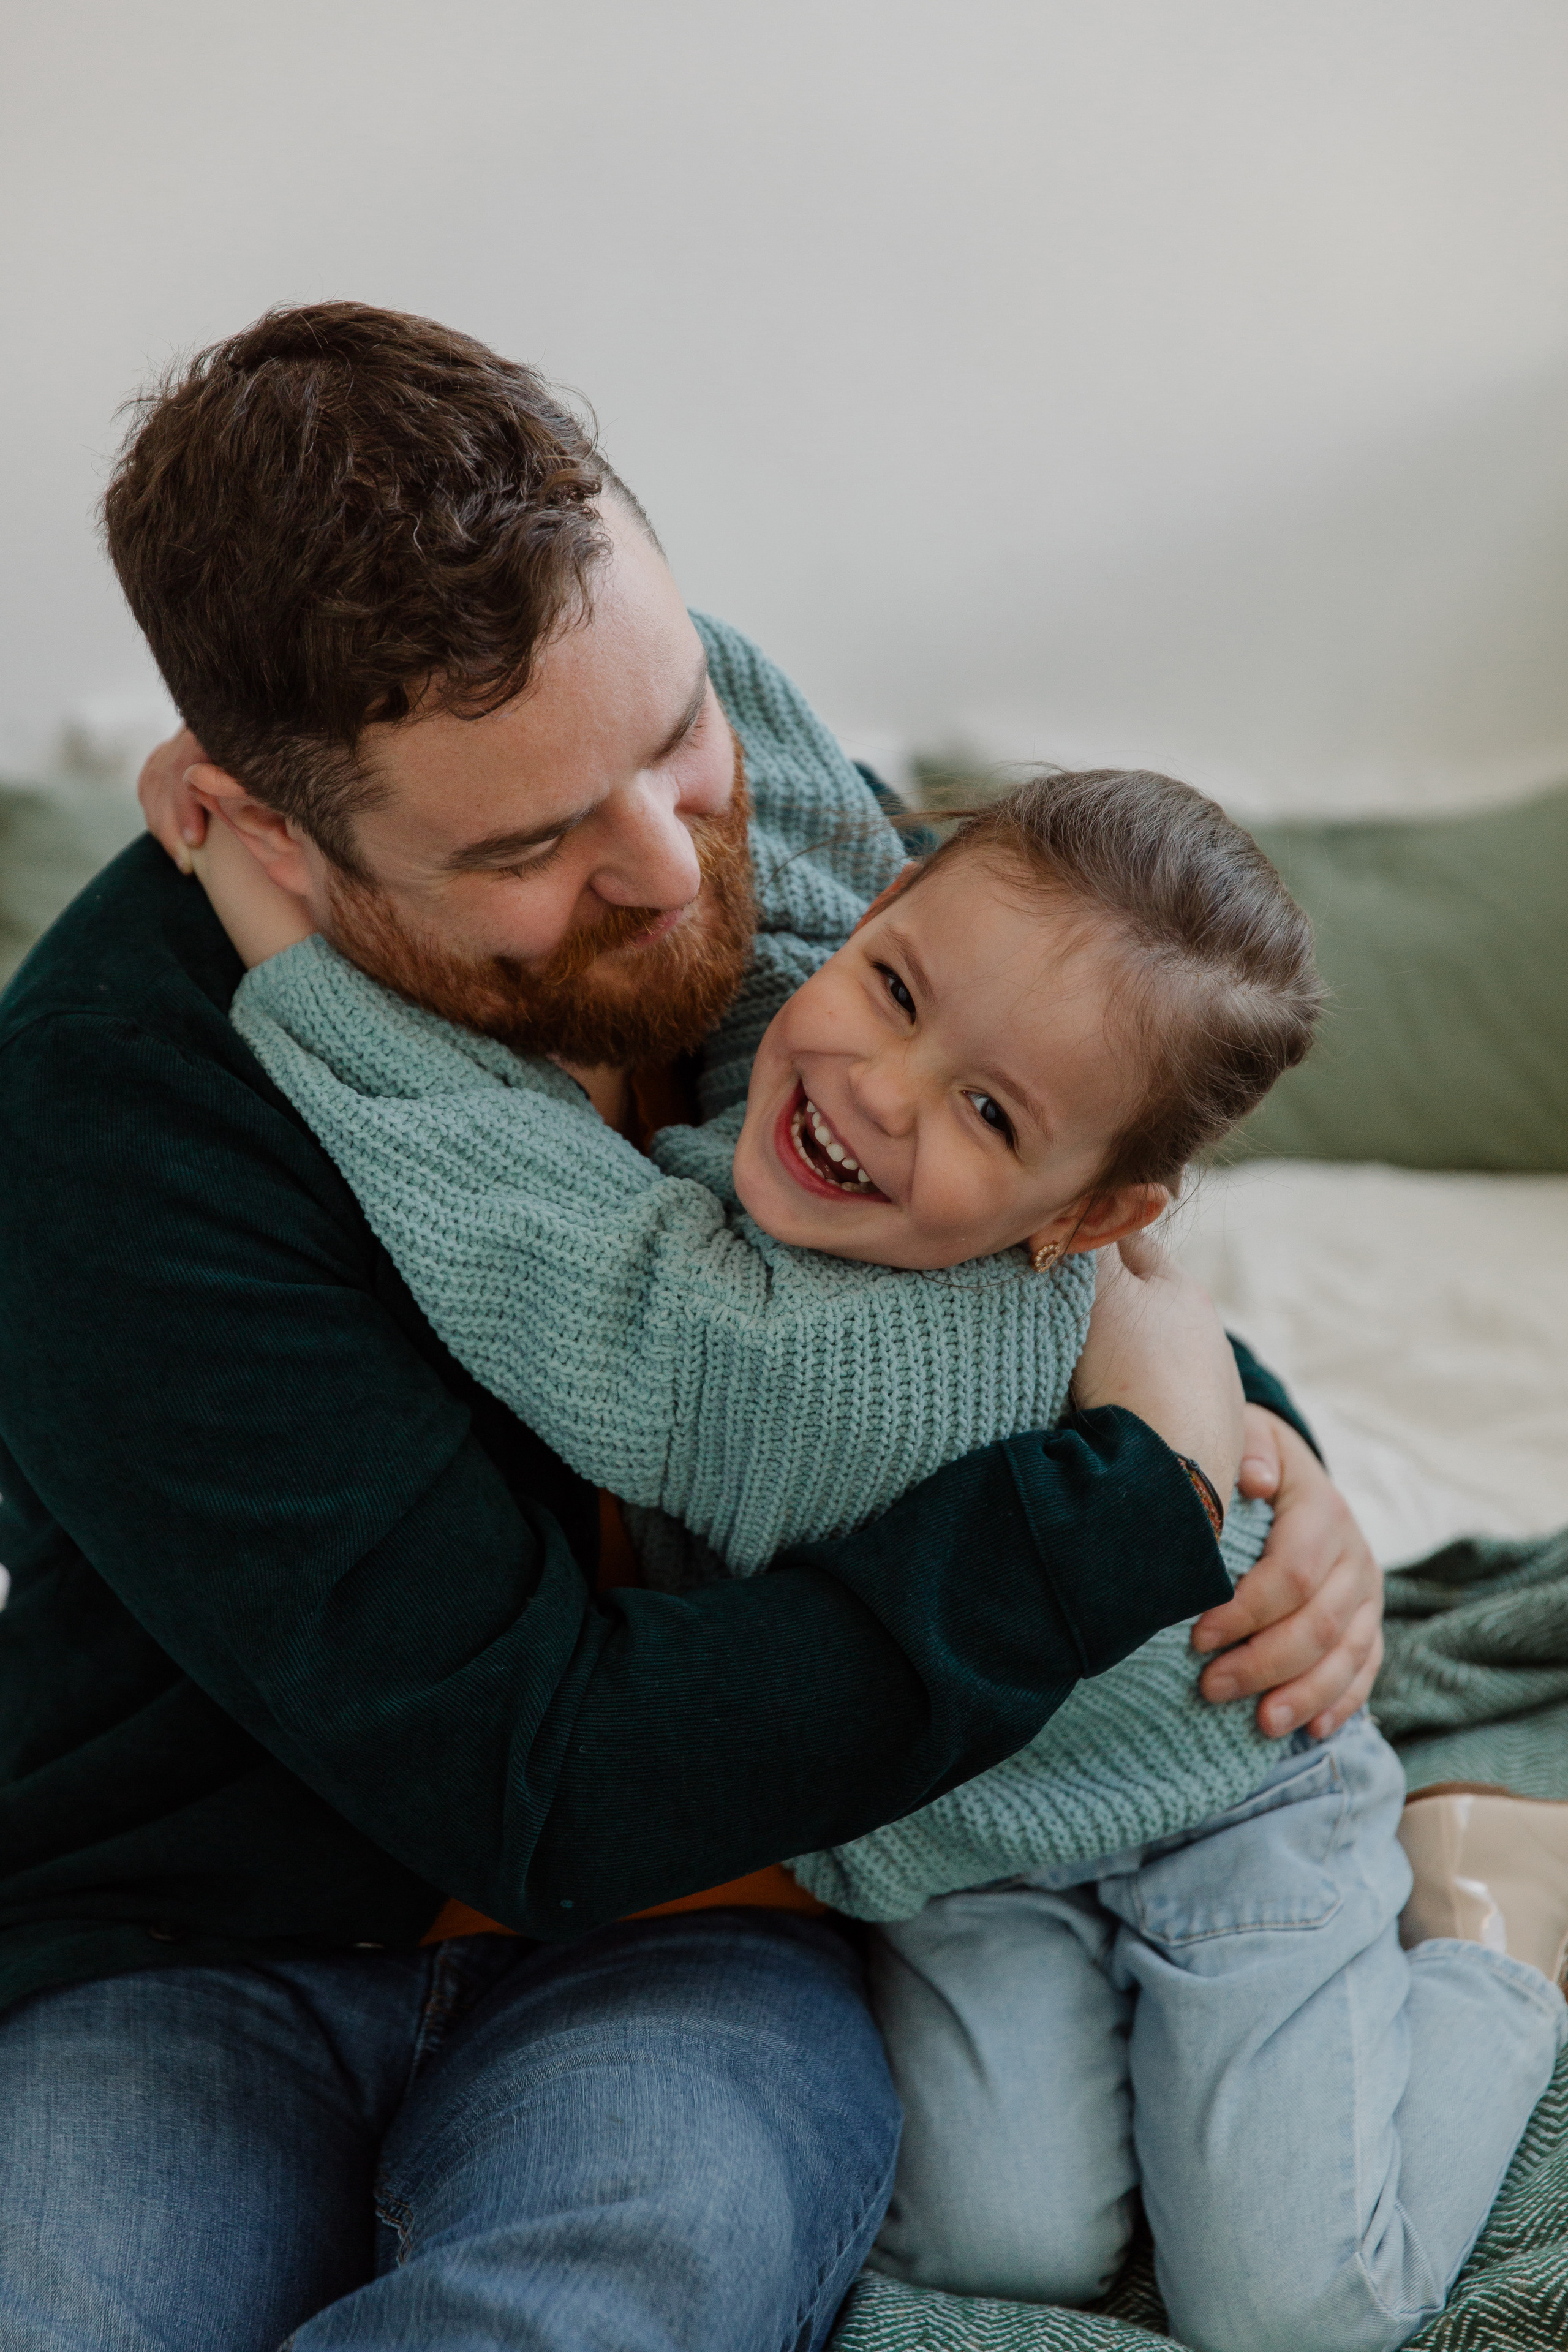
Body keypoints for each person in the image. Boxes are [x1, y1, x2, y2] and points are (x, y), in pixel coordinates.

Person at [0, 302, 1381, 2351]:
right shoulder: (101, 1122)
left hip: (725, 1928)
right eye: (529, 847)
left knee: (572, 2316)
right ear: (269, 829)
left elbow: (1005, 1196)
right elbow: (541, 1777)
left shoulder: (704, 733)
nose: (666, 865)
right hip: (200, 1942)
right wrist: (1125, 1501)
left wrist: (1263, 1457)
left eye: (669, 739)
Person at [192, 715, 1568, 2352]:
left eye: (991, 1113)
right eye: (896, 988)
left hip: (1224, 1787)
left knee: (1302, 2310)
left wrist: (259, 896)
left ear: (1094, 1218)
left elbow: (477, 1177)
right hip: (963, 1847)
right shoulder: (798, 1044)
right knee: (1003, 2242)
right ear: (868, 906)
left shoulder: (777, 1344)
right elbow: (735, 737)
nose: (873, 1088)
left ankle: (1493, 1914)